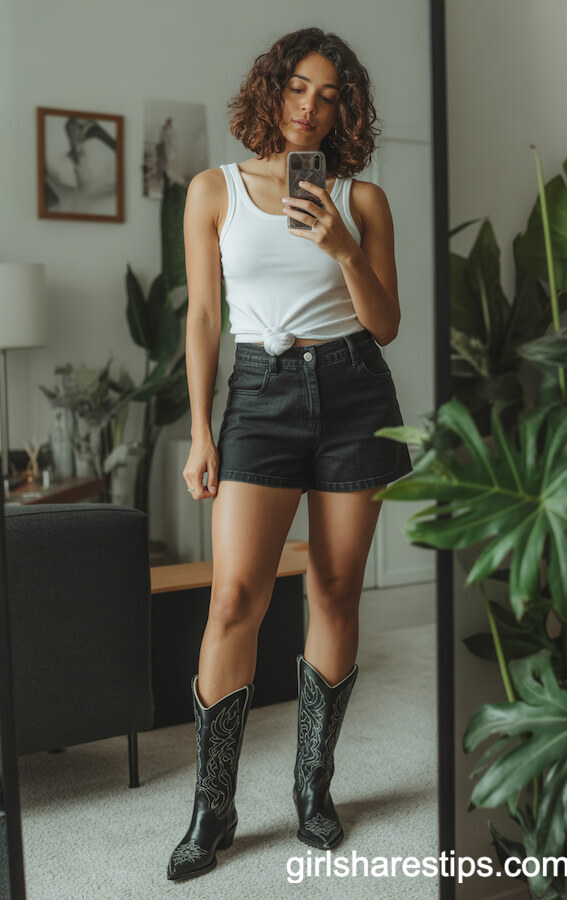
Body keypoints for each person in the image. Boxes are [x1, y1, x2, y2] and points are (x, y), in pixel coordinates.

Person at [167, 27, 412, 882]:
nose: (312, 108)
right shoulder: (213, 190)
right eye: (299, 89)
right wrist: (201, 429)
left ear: (346, 109)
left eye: (331, 95)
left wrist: (341, 245)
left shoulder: (364, 200)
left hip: (353, 392)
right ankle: (215, 804)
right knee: (235, 597)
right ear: (272, 91)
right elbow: (202, 319)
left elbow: (383, 324)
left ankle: (313, 785)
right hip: (260, 397)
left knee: (335, 588)